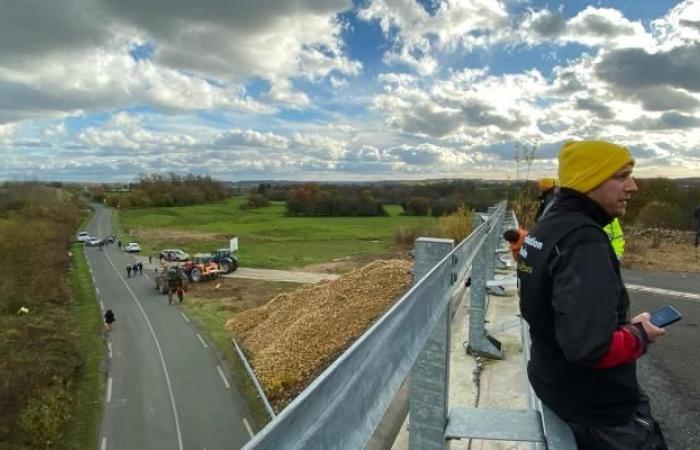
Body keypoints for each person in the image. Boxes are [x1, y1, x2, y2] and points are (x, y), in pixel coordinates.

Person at [518, 140, 667, 449]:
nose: (633, 186)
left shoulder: (546, 226)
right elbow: (589, 350)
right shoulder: (584, 241)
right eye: (622, 176)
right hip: (597, 409)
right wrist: (639, 334)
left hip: (553, 382)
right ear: (590, 178)